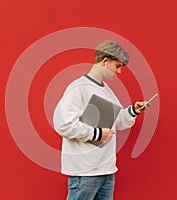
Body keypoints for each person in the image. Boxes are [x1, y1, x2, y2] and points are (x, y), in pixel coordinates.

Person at [53, 40, 146, 200]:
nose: (119, 72)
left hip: (106, 170)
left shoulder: (106, 90)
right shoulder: (78, 88)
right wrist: (96, 134)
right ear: (105, 61)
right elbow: (63, 124)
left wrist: (132, 111)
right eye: (117, 66)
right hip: (85, 172)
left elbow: (116, 121)